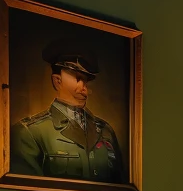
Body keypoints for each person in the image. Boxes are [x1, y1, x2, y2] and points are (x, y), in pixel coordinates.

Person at [12, 39, 122, 181]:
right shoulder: (29, 133)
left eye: (86, 81)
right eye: (78, 79)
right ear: (57, 81)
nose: (84, 89)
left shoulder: (106, 131)